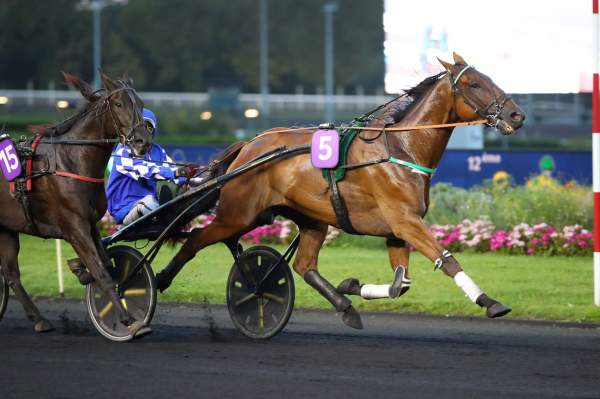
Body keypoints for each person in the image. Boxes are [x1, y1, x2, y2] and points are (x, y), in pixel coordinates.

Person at [105, 108, 192, 225]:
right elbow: (145, 170)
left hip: (149, 203)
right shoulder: (124, 149)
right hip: (123, 208)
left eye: (147, 127)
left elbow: (174, 169)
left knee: (189, 193)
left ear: (153, 130)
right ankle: (166, 219)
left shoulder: (158, 150)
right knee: (149, 202)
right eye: (139, 126)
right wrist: (176, 173)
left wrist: (190, 177)